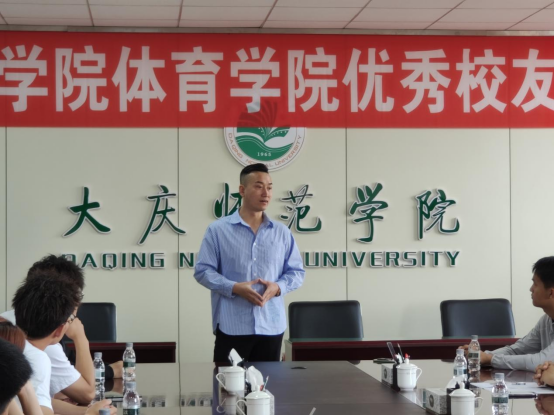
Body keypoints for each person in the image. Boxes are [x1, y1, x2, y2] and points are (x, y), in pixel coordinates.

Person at [195, 163, 305, 363]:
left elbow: (296, 272)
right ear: (242, 190)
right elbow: (203, 271)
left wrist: (277, 287)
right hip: (232, 325)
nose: (266, 193)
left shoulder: (281, 232)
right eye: (258, 186)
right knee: (228, 382)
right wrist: (234, 287)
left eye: (269, 187)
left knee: (270, 383)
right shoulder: (218, 230)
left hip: (271, 326)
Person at [1, 255, 122, 406]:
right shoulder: (41, 346)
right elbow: (86, 394)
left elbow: (33, 402)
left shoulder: (10, 321)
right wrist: (80, 337)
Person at [460, 257, 554, 371]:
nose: (531, 289)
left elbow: (540, 361)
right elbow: (516, 350)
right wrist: (480, 355)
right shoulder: (546, 320)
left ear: (551, 293)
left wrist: (489, 359)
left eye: (535, 284)